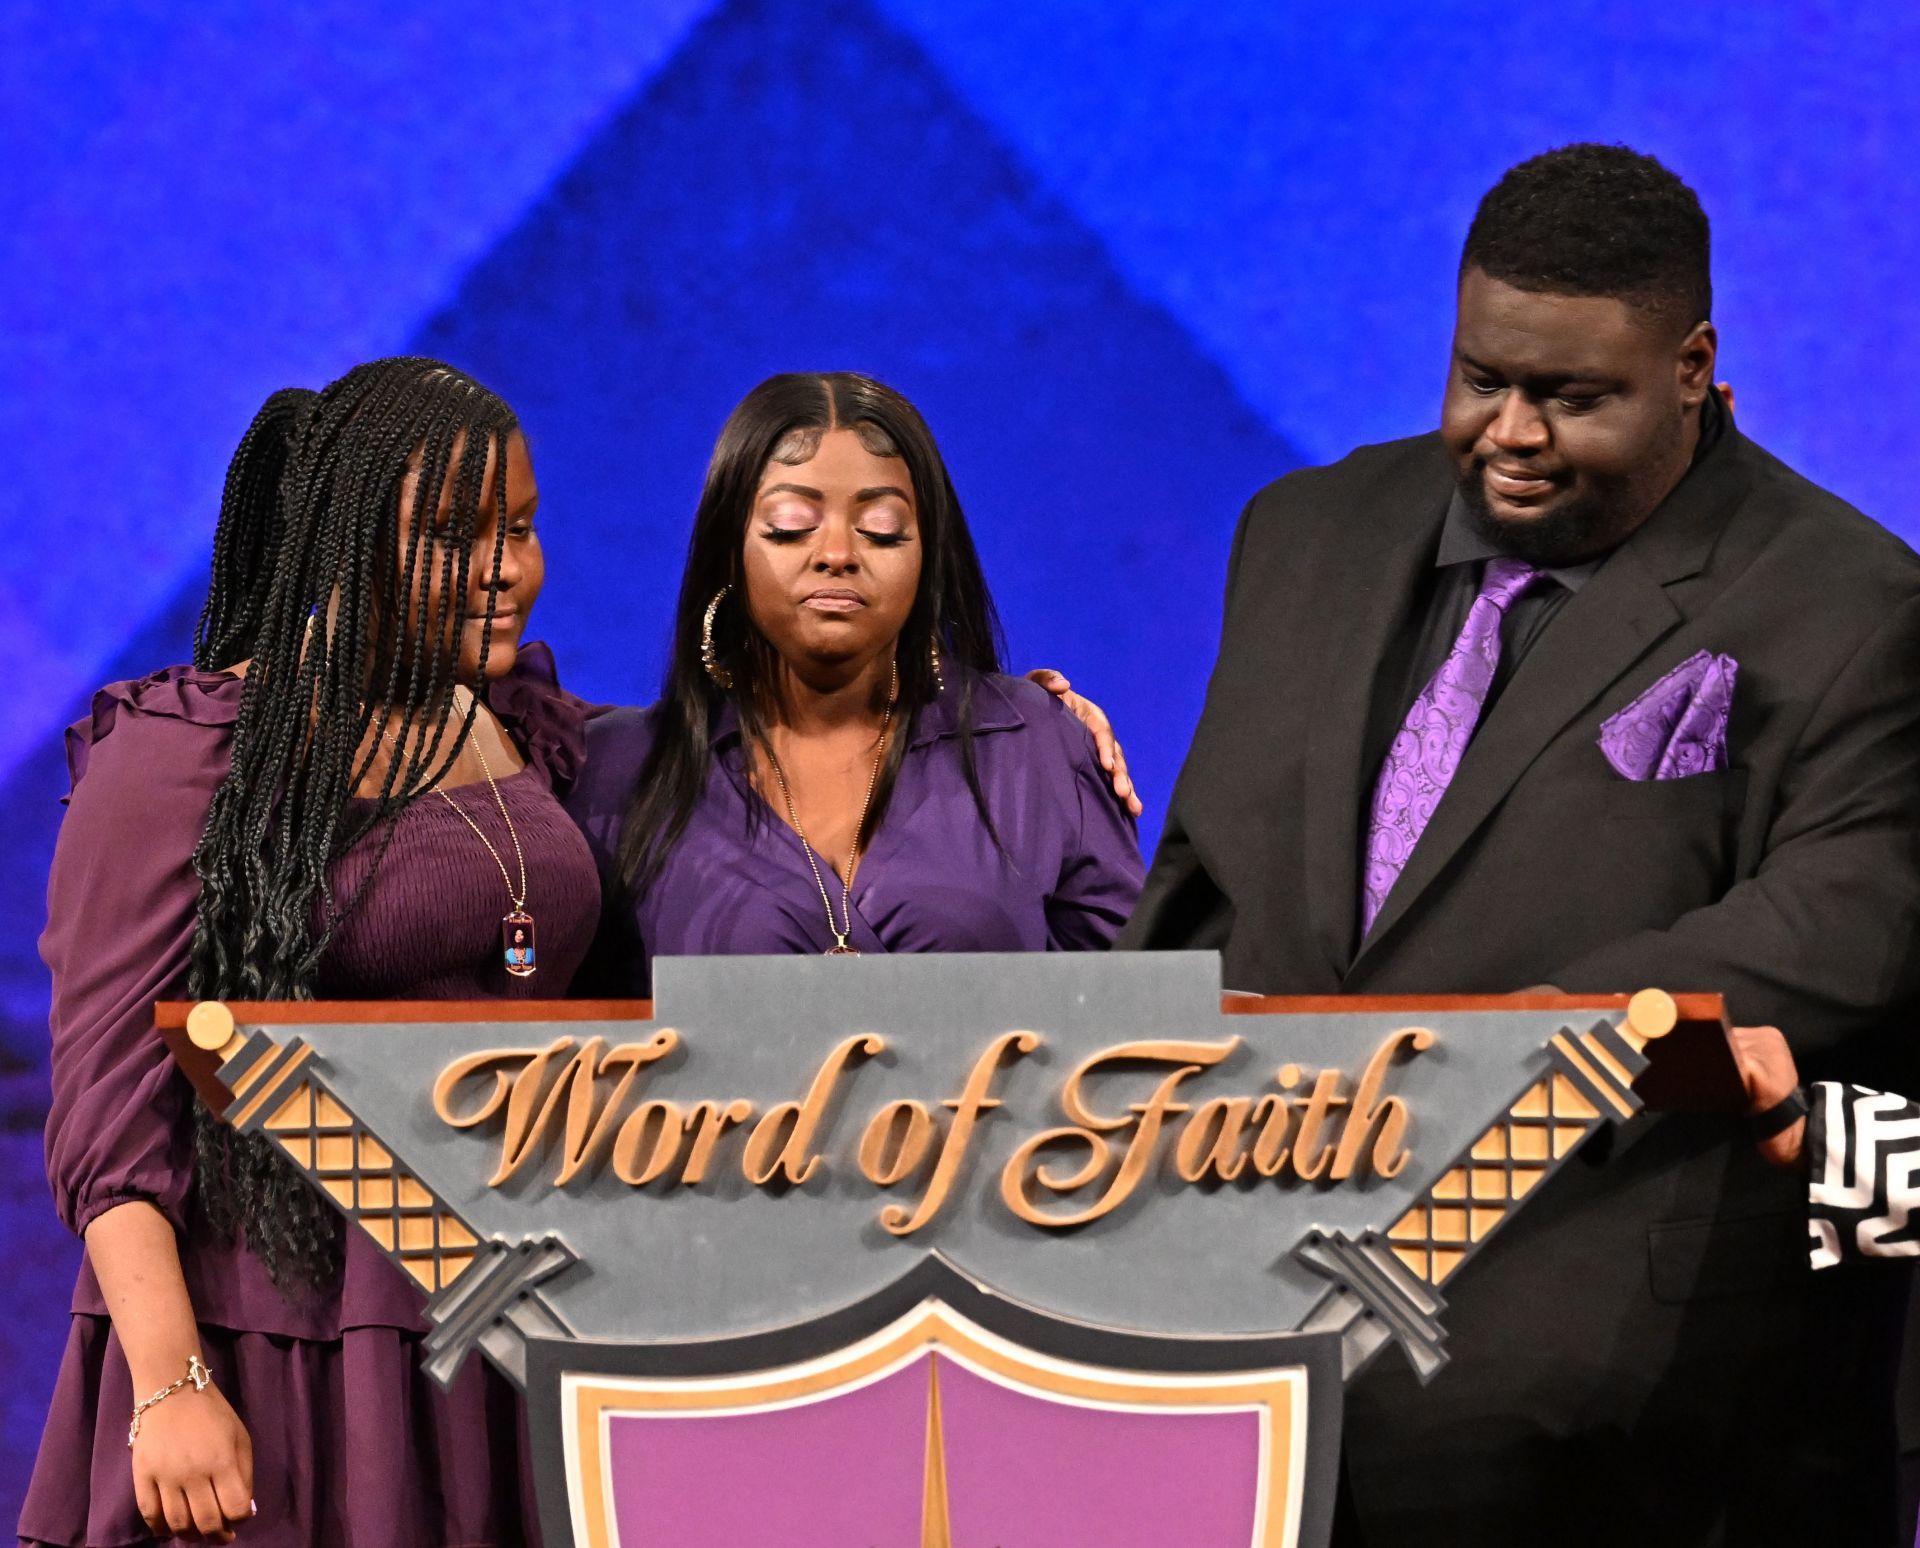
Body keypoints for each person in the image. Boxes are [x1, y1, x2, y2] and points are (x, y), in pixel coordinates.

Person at [1120, 145, 1920, 1543]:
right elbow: (1203, 892)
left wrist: (1508, 1045)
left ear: (1693, 367)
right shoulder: (1302, 532)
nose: (1512, 432)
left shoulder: (1854, 606)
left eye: (1571, 397)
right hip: (1247, 1378)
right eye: (1482, 378)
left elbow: (1839, 925)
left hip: (1603, 1412)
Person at [21, 358, 601, 1545]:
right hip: (284, 1349)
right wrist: (172, 1384)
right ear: (342, 543)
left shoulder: (517, 726)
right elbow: (111, 1113)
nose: (505, 568)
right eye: (453, 535)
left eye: (521, 528)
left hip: (501, 1324)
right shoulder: (188, 755)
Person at [566, 372, 1143, 985]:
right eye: (790, 525)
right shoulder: (615, 769)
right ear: (728, 550)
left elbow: (1140, 1002)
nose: (837, 553)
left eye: (882, 528)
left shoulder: (1033, 746)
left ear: (928, 555)